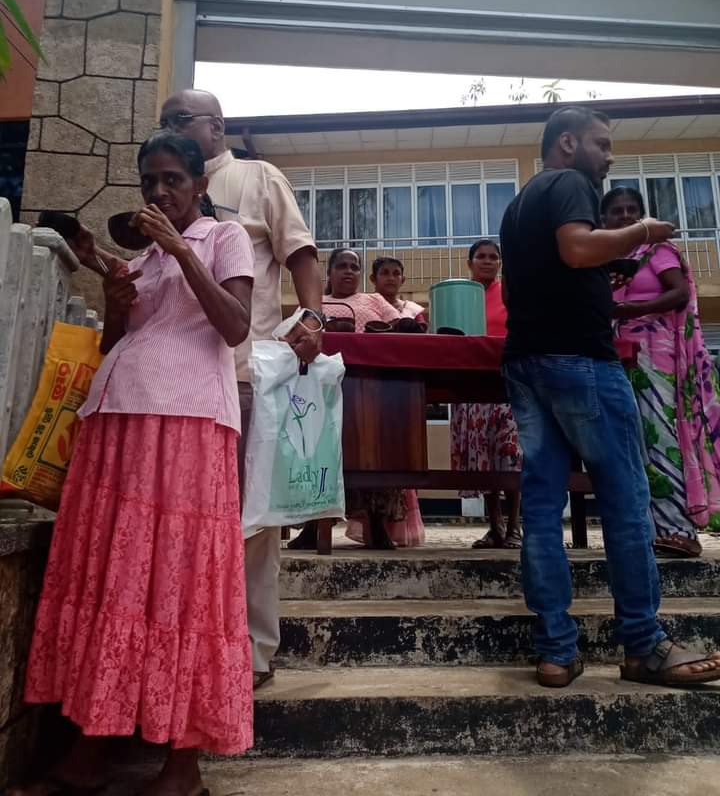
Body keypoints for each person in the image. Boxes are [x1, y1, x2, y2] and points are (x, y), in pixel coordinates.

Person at [16, 133, 255, 796]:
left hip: (186, 427)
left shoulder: (220, 239)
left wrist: (183, 250)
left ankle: (183, 765)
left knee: (181, 585)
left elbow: (235, 327)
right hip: (117, 421)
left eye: (172, 179)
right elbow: (122, 343)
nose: (158, 193)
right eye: (149, 181)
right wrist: (115, 293)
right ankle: (90, 747)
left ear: (199, 181)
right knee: (114, 581)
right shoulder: (145, 258)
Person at [500, 106, 720, 689]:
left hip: (526, 363)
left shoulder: (518, 203)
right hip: (582, 363)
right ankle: (644, 645)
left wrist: (608, 269)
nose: (610, 155)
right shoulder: (570, 182)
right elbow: (576, 248)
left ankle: (555, 651)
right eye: (602, 143)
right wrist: (644, 232)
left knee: (543, 509)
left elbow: (563, 264)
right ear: (567, 143)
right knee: (625, 500)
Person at [157, 89, 325, 692]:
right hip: (177, 387)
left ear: (216, 126)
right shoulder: (167, 192)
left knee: (254, 521)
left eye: (180, 120)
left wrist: (313, 317)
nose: (169, 128)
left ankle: (253, 651)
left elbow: (300, 253)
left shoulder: (257, 176)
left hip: (245, 373)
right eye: (164, 122)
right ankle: (191, 643)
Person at [601, 186, 720, 557]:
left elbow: (679, 293)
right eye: (616, 211)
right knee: (633, 440)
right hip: (621, 355)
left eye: (631, 210)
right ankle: (650, 528)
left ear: (642, 216)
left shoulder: (656, 250)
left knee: (662, 435)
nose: (624, 216)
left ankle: (679, 529)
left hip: (658, 355)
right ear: (604, 220)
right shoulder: (608, 260)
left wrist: (629, 313)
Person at [290, 248, 421, 549]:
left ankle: (378, 525)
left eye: (354, 267)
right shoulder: (314, 305)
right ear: (330, 273)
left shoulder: (374, 301)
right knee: (318, 455)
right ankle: (312, 528)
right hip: (323, 393)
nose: (349, 272)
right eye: (342, 266)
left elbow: (401, 322)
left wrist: (405, 322)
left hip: (374, 389)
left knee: (378, 453)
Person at [450, 239, 522, 549]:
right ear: (470, 262)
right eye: (481, 256)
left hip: (508, 383)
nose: (488, 261)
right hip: (470, 385)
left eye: (494, 257)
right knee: (483, 458)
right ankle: (495, 525)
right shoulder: (458, 295)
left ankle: (515, 527)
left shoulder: (511, 292)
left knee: (511, 454)